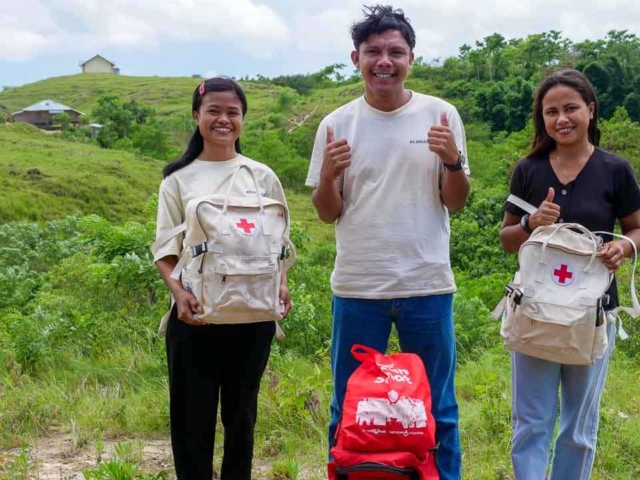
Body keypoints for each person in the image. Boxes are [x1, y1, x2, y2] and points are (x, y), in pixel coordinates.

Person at [305, 5, 470, 479]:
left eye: (395, 51)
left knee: (438, 408)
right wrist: (331, 175)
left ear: (411, 58)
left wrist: (454, 162)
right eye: (373, 51)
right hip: (358, 286)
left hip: (427, 283)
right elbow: (326, 211)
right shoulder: (337, 124)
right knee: (349, 404)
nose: (384, 61)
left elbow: (454, 202)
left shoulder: (441, 115)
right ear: (355, 58)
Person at [499, 69, 640, 480]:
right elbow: (507, 240)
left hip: (593, 314)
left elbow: (635, 226)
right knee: (531, 419)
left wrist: (625, 247)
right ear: (541, 119)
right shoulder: (529, 169)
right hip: (535, 311)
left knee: (579, 425)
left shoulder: (616, 169)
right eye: (551, 111)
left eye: (571, 108)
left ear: (591, 110)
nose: (562, 119)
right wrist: (531, 224)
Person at [153, 77, 292, 480]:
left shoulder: (261, 175)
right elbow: (164, 250)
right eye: (214, 110)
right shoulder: (177, 180)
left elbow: (278, 242)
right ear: (197, 116)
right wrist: (178, 294)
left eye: (233, 112)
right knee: (191, 422)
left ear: (243, 119)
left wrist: (280, 284)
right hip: (195, 317)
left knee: (242, 419)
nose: (223, 119)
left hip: (253, 318)